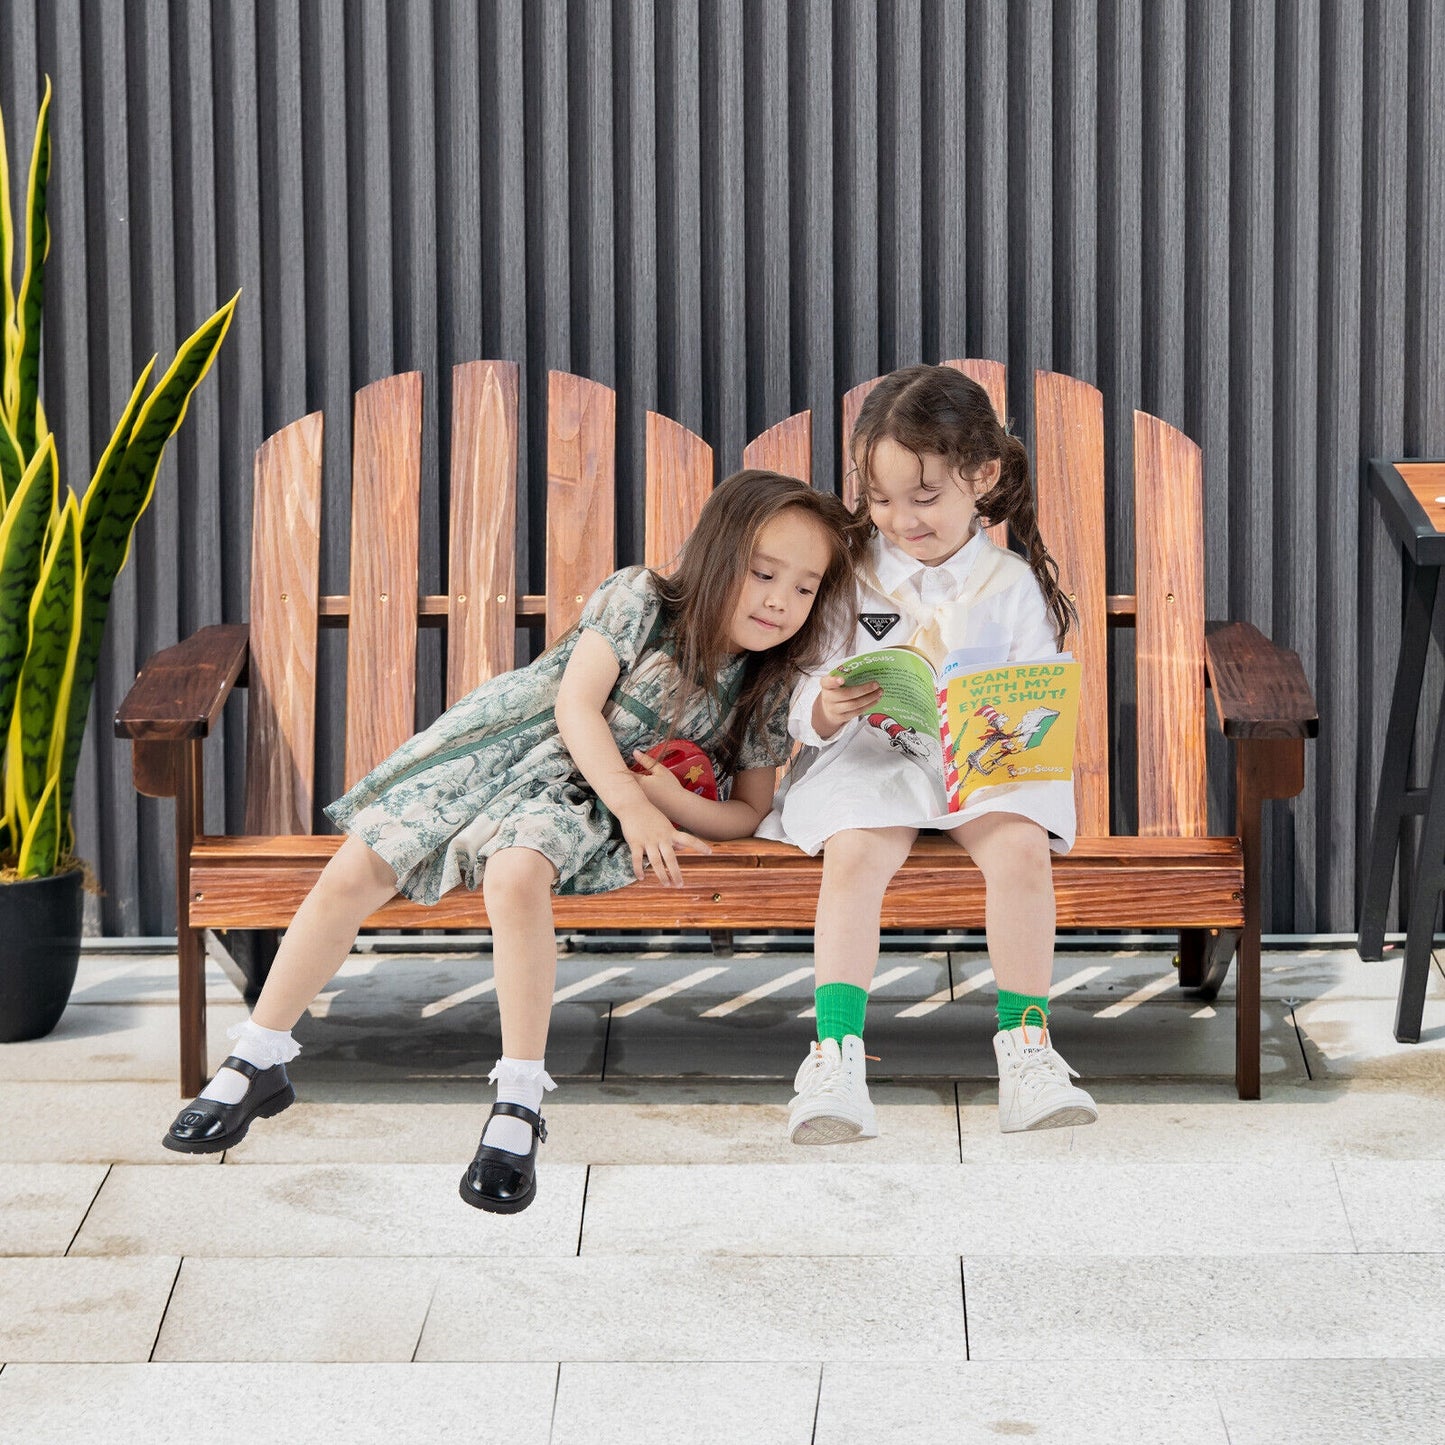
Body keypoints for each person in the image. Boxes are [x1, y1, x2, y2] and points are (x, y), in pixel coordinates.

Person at [163, 470, 856, 1213]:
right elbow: (575, 706)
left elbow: (748, 811)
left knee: (516, 872)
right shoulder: (640, 599)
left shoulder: (767, 682)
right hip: (507, 753)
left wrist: (663, 801)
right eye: (762, 573)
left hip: (584, 802)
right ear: (717, 554)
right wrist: (634, 798)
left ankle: (518, 1102)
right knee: (361, 862)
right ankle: (257, 1056)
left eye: (804, 587)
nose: (779, 600)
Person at [758, 365, 1099, 1142]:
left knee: (1019, 847)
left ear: (981, 477)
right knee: (855, 849)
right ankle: (835, 1057)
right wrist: (826, 705)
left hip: (979, 763)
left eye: (924, 497)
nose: (901, 520)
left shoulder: (1008, 583)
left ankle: (1027, 1049)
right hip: (869, 755)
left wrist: (1010, 720)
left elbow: (1037, 693)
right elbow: (804, 679)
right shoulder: (849, 572)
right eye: (881, 500)